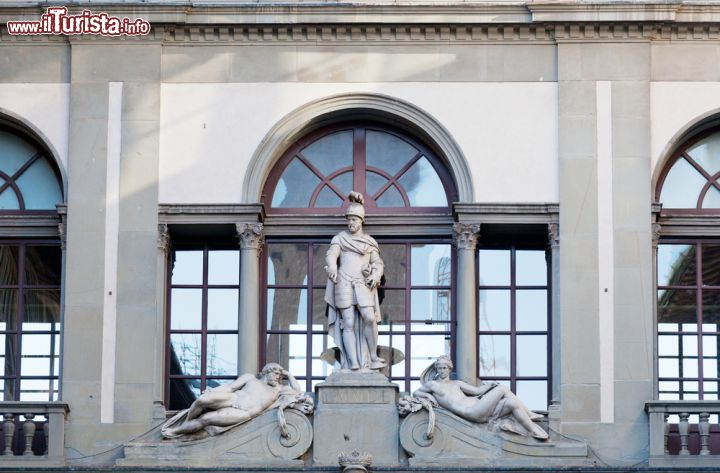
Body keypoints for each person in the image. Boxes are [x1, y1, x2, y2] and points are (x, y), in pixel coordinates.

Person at [413, 356, 548, 440]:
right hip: (472, 412)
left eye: (444, 368)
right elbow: (416, 393)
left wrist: (489, 385)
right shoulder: (433, 385)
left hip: (482, 410)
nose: (442, 370)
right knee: (502, 389)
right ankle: (529, 414)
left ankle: (533, 431)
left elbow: (477, 390)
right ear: (436, 369)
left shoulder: (457, 383)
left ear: (449, 369)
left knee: (511, 403)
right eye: (439, 368)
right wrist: (429, 397)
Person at [325, 191, 386, 371]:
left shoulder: (369, 241)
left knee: (369, 317)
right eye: (349, 219)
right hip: (343, 281)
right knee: (348, 323)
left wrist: (375, 274)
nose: (351, 223)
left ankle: (373, 357)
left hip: (362, 283)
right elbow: (332, 255)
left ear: (362, 221)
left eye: (354, 219)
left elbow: (377, 263)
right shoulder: (340, 238)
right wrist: (332, 267)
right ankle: (353, 362)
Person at [161, 363, 304, 438]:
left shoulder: (278, 390)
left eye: (280, 375)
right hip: (235, 398)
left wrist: (289, 375)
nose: (278, 377)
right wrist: (213, 391)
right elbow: (230, 388)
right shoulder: (250, 378)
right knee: (202, 400)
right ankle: (185, 423)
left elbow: (297, 392)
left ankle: (175, 431)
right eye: (276, 373)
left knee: (206, 419)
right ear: (267, 372)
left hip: (244, 413)